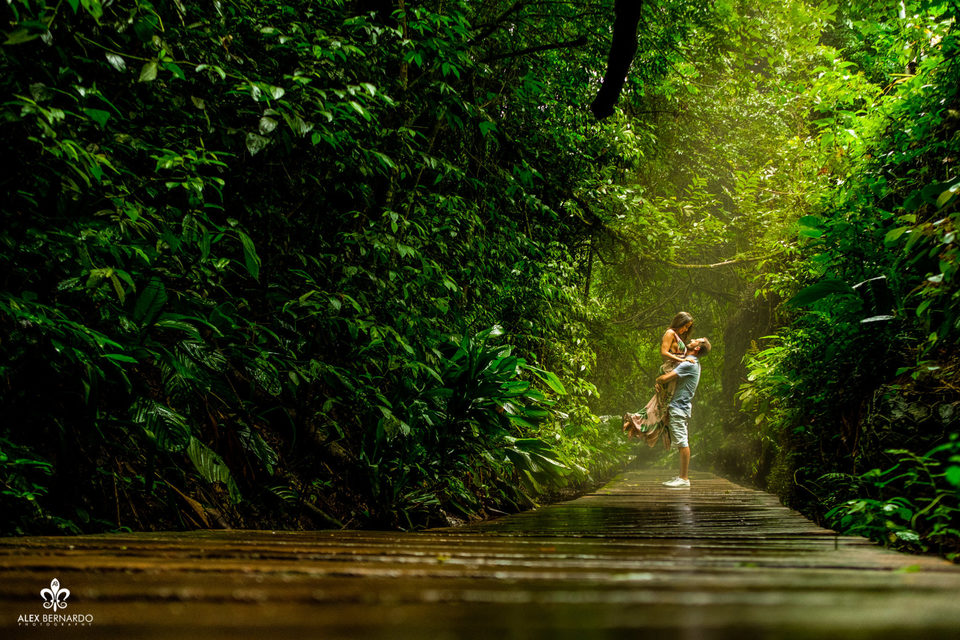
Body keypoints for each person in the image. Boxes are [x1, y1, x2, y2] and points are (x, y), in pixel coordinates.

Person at [623, 312, 696, 447]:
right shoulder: (670, 333)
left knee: (661, 404)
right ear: (679, 322)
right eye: (685, 326)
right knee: (662, 404)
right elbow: (664, 352)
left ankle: (634, 425)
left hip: (673, 370)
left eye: (688, 327)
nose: (686, 329)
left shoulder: (678, 337)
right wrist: (682, 359)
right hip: (669, 369)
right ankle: (635, 423)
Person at [656, 337, 711, 488]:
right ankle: (682, 476)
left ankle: (684, 478)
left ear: (697, 348)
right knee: (681, 441)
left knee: (682, 442)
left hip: (679, 407)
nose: (692, 339)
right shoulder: (692, 363)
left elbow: (666, 378)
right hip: (681, 407)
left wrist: (658, 379)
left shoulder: (688, 364)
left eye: (696, 340)